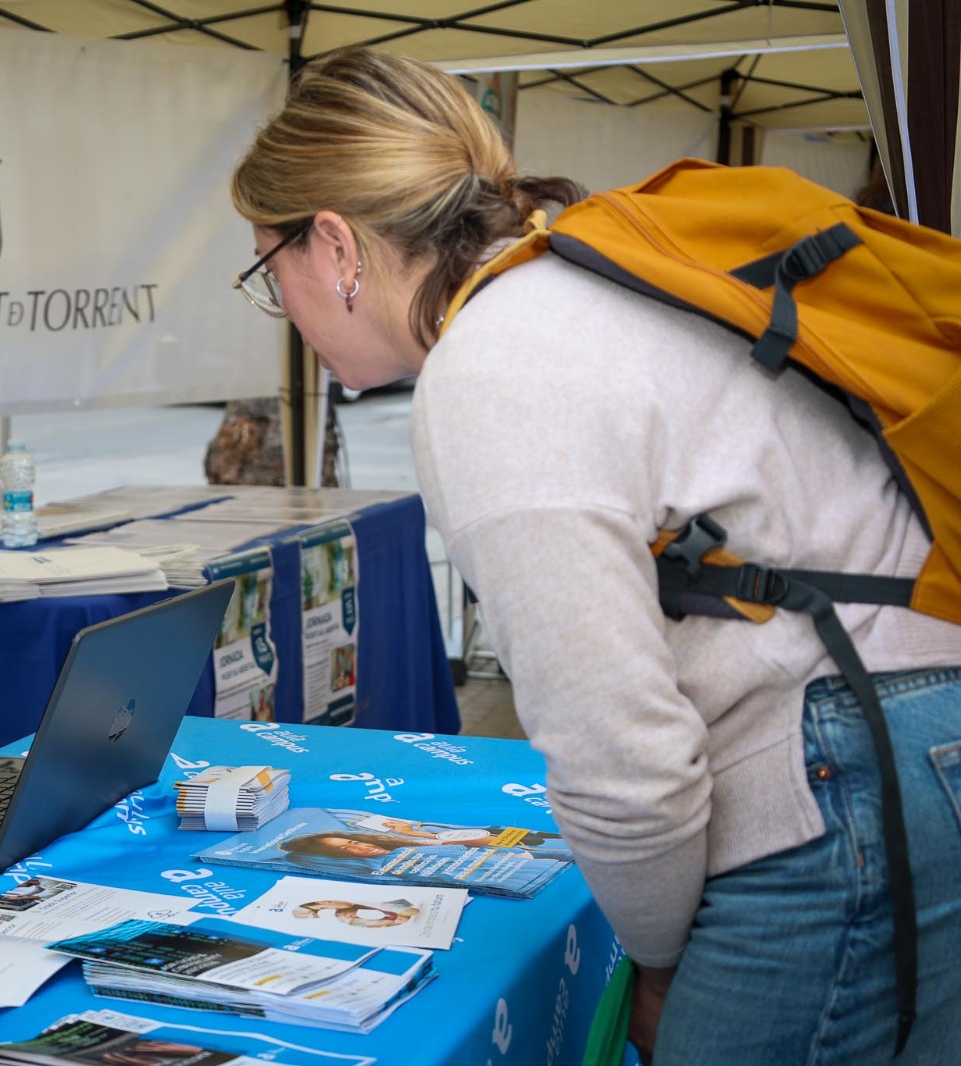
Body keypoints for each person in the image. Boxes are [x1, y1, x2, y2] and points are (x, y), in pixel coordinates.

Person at [227, 48, 961, 1065]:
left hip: (833, 776)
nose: (283, 307)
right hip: (912, 727)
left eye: (270, 270)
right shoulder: (577, 273)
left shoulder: (493, 366)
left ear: (337, 245)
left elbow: (623, 759)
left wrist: (656, 961)